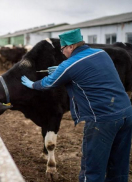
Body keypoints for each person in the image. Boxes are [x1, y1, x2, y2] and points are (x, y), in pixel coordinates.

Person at [21, 29, 132, 182]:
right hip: (126, 112)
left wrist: (32, 84)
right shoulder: (101, 53)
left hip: (102, 119)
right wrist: (61, 70)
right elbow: (88, 71)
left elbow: (48, 83)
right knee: (118, 166)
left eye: (63, 49)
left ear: (71, 47)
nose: (62, 52)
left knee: (92, 170)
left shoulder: (70, 63)